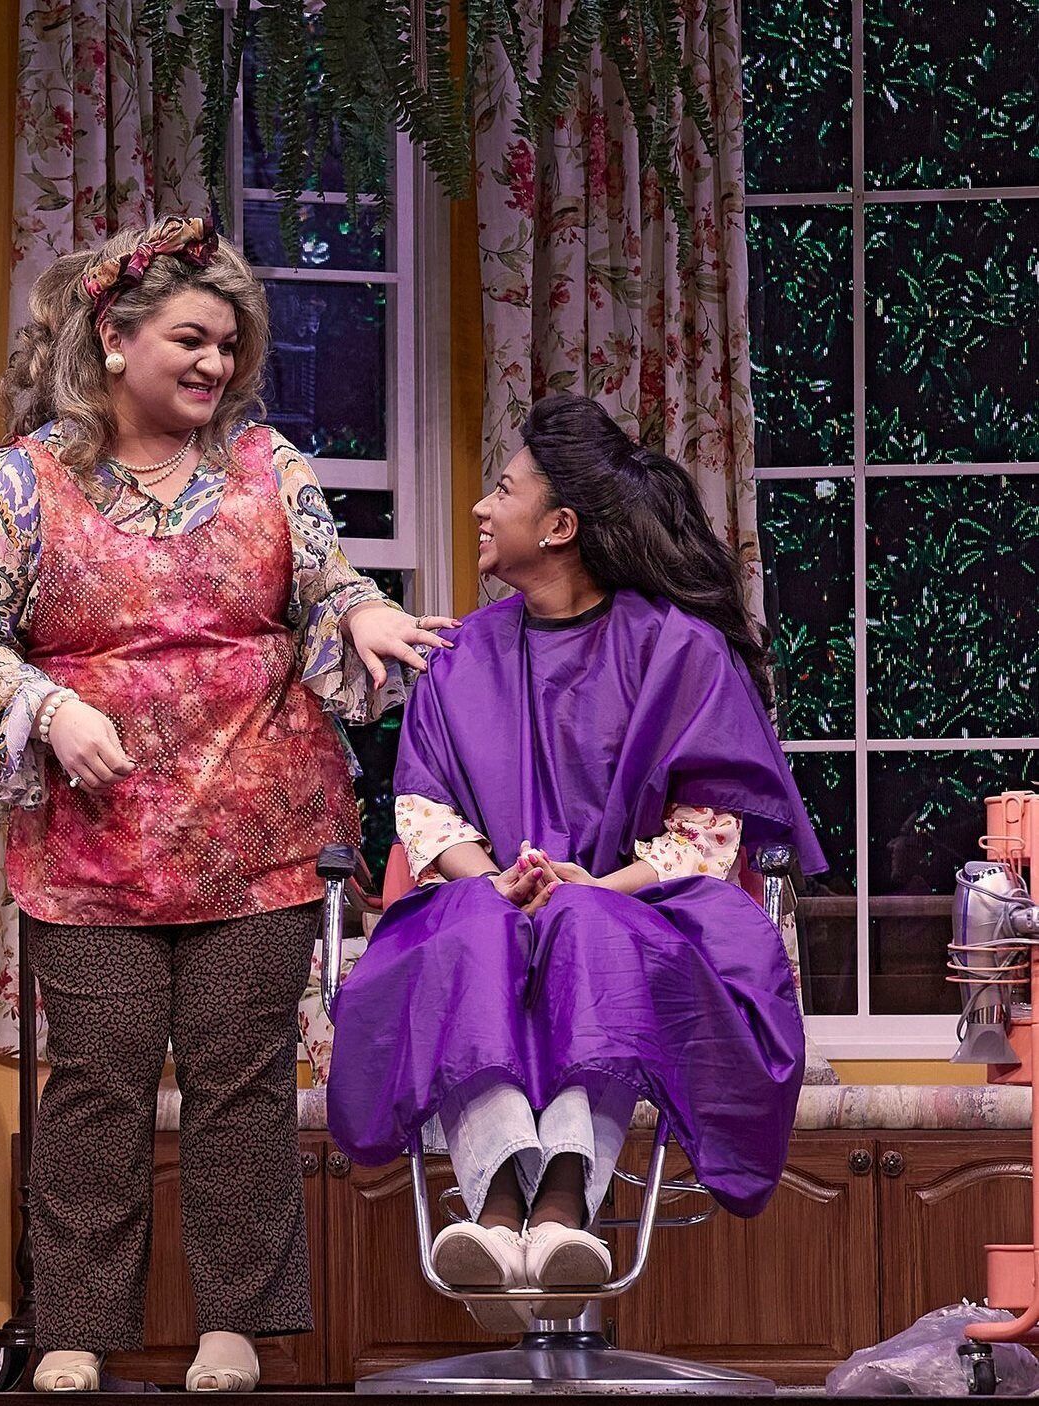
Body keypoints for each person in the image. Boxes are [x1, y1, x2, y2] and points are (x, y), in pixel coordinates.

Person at [0, 214, 450, 1394]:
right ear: (113, 340)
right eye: (192, 339)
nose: (216, 365)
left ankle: (237, 1322)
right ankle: (75, 1322)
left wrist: (360, 612)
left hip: (256, 825)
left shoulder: (273, 467)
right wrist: (49, 708)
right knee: (97, 1087)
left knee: (240, 1085)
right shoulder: (24, 481)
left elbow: (322, 582)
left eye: (229, 345)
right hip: (92, 841)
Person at [326, 393, 823, 1329]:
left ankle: (558, 1207)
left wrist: (596, 886)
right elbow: (425, 809)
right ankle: (499, 1210)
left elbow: (709, 830)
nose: (479, 508)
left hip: (640, 914)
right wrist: (498, 883)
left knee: (584, 923)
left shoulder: (680, 651)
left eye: (501, 490)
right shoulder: (459, 654)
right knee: (474, 925)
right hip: (486, 898)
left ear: (558, 527)